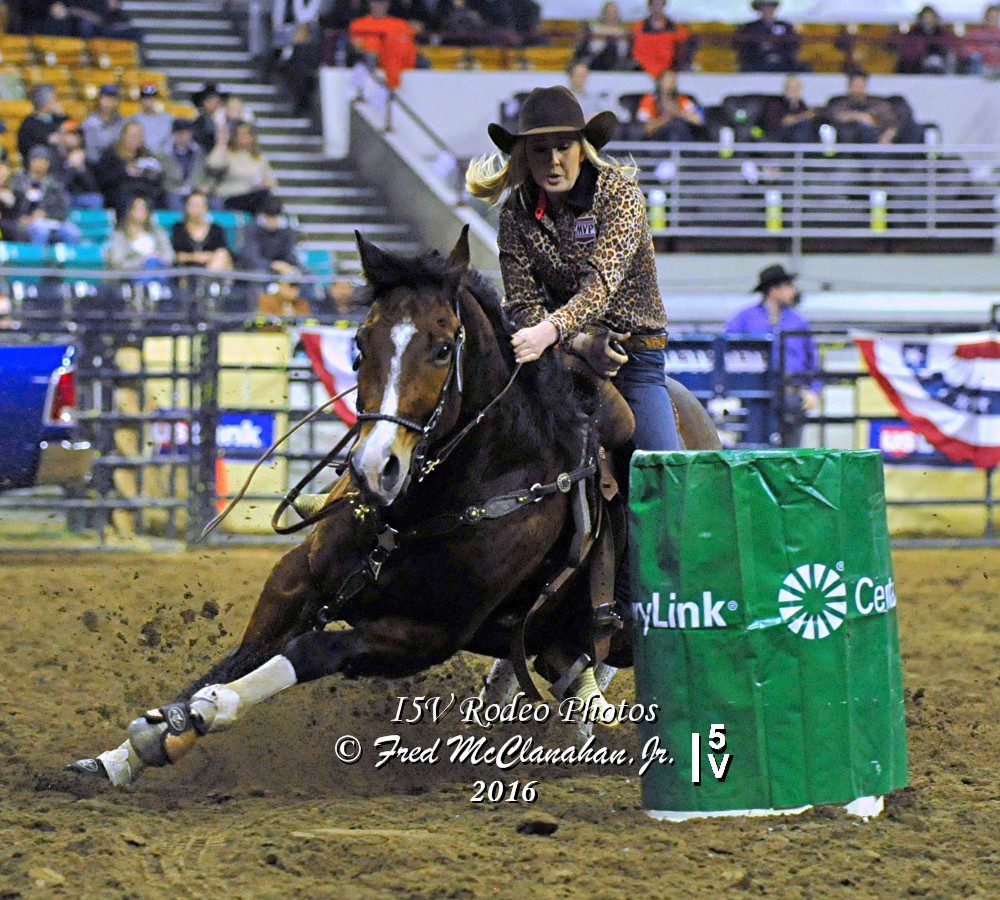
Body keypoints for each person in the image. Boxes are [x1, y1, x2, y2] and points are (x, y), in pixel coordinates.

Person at [466, 86, 682, 710]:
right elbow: (522, 301)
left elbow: (606, 279)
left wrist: (550, 330)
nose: (553, 161)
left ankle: (652, 606)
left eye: (563, 147)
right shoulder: (515, 214)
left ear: (582, 148)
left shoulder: (617, 192)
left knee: (664, 475)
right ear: (524, 158)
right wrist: (551, 337)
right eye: (540, 152)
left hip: (634, 354)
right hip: (559, 358)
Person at [725, 264, 820, 447]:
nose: (793, 291)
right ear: (775, 290)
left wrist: (813, 391)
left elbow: (812, 361)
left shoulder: (799, 322)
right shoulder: (743, 319)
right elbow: (728, 351)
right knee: (754, 448)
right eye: (789, 286)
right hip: (755, 397)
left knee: (791, 451)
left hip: (791, 395)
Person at [238, 195, 306, 315]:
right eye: (270, 218)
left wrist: (291, 267)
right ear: (263, 216)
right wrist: (273, 265)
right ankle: (258, 315)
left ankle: (303, 315)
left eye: (276, 218)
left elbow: (290, 254)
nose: (273, 221)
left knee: (304, 274)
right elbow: (251, 257)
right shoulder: (251, 228)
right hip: (257, 268)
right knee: (258, 275)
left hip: (281, 269)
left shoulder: (287, 230)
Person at [11, 146, 80, 245]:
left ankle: (70, 260)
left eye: (43, 161)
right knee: (41, 231)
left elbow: (62, 209)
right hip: (26, 223)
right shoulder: (19, 181)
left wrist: (46, 214)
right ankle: (36, 259)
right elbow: (13, 207)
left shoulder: (54, 183)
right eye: (37, 160)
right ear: (30, 162)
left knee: (73, 231)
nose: (40, 164)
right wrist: (28, 217)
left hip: (51, 221)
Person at [93, 120, 166, 211]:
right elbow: (102, 180)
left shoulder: (146, 154)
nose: (135, 139)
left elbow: (158, 178)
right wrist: (125, 171)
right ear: (123, 136)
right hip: (119, 194)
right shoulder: (111, 154)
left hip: (143, 192)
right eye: (131, 136)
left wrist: (150, 172)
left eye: (138, 136)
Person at [205, 121, 276, 214]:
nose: (243, 137)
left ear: (252, 137)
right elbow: (212, 165)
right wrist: (221, 144)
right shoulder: (228, 153)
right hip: (230, 196)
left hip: (253, 194)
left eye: (246, 134)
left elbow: (271, 181)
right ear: (234, 136)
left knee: (268, 198)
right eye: (240, 134)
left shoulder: (259, 157)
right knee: (261, 198)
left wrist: (265, 182)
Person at [349, 0, 418, 89]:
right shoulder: (358, 24)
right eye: (376, 1)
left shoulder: (400, 25)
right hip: (368, 62)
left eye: (383, 2)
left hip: (394, 65)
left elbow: (407, 47)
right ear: (370, 2)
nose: (380, 5)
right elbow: (356, 46)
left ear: (388, 3)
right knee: (361, 66)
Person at [823, 70, 899, 144]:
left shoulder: (878, 104)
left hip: (874, 143)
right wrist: (860, 116)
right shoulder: (839, 103)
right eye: (855, 85)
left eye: (861, 85)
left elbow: (893, 124)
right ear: (849, 86)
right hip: (845, 143)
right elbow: (836, 116)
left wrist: (886, 137)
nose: (858, 88)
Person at [734, 0, 809, 73]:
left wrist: (779, 55)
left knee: (804, 68)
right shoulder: (749, 27)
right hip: (758, 63)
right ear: (759, 9)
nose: (767, 10)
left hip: (782, 62)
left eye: (770, 7)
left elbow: (793, 45)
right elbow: (743, 47)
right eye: (764, 7)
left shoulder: (785, 26)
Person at [170, 190, 232, 272]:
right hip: (186, 272)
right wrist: (194, 257)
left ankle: (207, 283)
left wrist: (207, 257)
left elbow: (224, 253)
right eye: (193, 205)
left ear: (206, 207)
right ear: (186, 206)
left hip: (214, 269)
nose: (196, 209)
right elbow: (175, 256)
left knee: (221, 255)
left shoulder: (216, 229)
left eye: (199, 205)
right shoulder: (178, 228)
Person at [636, 70, 703, 141]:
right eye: (668, 81)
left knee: (679, 125)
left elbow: (699, 120)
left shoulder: (682, 99)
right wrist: (666, 119)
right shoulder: (649, 100)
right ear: (660, 82)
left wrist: (678, 113)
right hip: (658, 135)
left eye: (673, 81)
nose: (671, 84)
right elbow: (645, 127)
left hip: (681, 133)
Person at [631, 0, 691, 77]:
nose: (657, 8)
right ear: (649, 6)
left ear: (664, 6)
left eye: (660, 4)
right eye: (654, 4)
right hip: (642, 74)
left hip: (668, 74)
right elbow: (634, 54)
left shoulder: (675, 28)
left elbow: (684, 51)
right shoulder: (639, 27)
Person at [159, 118, 208, 211]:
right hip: (173, 190)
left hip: (196, 190)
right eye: (180, 133)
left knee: (214, 202)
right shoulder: (163, 153)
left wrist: (203, 186)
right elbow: (163, 177)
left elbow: (204, 173)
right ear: (173, 134)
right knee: (174, 201)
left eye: (187, 133)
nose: (183, 136)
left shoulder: (198, 152)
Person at [573, 1, 635, 72]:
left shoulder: (625, 33)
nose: (612, 15)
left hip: (619, 64)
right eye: (609, 12)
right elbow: (583, 51)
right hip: (595, 62)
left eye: (614, 12)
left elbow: (628, 54)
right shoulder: (593, 29)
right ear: (604, 14)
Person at [896, 5, 956, 74]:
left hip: (942, 65)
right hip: (918, 67)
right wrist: (923, 57)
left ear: (935, 19)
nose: (928, 20)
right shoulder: (912, 34)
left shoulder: (944, 34)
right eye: (926, 18)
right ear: (920, 19)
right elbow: (908, 53)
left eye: (931, 17)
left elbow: (951, 48)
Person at [17, 84, 67, 161]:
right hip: (40, 162)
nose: (57, 103)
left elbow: (72, 130)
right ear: (46, 103)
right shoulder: (29, 123)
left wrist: (62, 115)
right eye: (55, 99)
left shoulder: (58, 118)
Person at [764, 74, 816, 142]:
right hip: (779, 134)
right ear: (785, 88)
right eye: (790, 87)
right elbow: (781, 122)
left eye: (796, 87)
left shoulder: (800, 103)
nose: (794, 90)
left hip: (798, 133)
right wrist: (803, 116)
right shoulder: (776, 103)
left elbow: (808, 115)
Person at [81, 84, 124, 164]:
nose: (109, 102)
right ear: (99, 100)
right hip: (95, 166)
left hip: (118, 165)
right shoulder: (90, 122)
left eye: (112, 99)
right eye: (105, 98)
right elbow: (90, 153)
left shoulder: (122, 122)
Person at [130, 84, 173, 155]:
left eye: (151, 98)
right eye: (145, 98)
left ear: (156, 99)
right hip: (140, 156)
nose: (148, 101)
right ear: (140, 100)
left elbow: (170, 140)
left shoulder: (167, 119)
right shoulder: (133, 119)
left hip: (163, 157)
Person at [961, 4, 1000, 74]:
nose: (994, 19)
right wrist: (988, 50)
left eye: (997, 17)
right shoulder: (975, 33)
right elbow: (965, 49)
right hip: (982, 66)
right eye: (991, 16)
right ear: (985, 17)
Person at [192, 83, 224, 155]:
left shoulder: (222, 117)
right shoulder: (199, 119)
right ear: (204, 102)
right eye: (211, 101)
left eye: (216, 101)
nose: (214, 103)